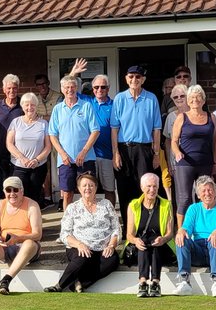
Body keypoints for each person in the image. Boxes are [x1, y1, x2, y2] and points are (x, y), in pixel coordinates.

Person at [46, 172, 120, 293]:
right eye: (84, 185)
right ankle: (59, 285)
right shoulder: (72, 207)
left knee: (112, 260)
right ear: (79, 188)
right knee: (81, 257)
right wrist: (79, 244)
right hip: (79, 247)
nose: (88, 188)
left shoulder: (106, 204)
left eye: (91, 185)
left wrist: (111, 245)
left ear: (96, 187)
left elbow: (116, 229)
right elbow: (65, 233)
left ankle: (80, 282)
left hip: (103, 248)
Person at [172, 175, 216, 298]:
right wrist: (182, 230)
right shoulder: (194, 208)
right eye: (203, 191)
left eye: (210, 190)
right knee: (181, 238)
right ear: (198, 195)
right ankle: (184, 281)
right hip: (198, 248)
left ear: (215, 191)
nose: (207, 193)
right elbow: (187, 227)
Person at [111, 65, 163, 207]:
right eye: (131, 76)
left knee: (145, 186)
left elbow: (156, 129)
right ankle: (127, 220)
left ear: (143, 79)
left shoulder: (151, 98)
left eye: (138, 76)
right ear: (126, 79)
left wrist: (156, 154)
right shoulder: (119, 98)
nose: (134, 79)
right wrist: (115, 153)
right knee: (124, 187)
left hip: (144, 149)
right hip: (124, 149)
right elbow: (114, 129)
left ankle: (143, 220)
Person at [48, 76, 99, 208]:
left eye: (72, 87)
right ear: (62, 89)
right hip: (65, 160)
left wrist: (84, 152)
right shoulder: (57, 109)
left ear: (77, 88)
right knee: (67, 194)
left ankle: (89, 218)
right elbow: (52, 134)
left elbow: (95, 131)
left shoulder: (86, 106)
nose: (70, 90)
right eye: (67, 87)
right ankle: (67, 220)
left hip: (86, 158)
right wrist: (62, 154)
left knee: (88, 193)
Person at [170, 84, 216, 226]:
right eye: (191, 98)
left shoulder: (211, 117)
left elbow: (215, 141)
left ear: (203, 100)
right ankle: (181, 230)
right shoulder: (182, 117)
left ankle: (202, 228)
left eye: (198, 97)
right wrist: (177, 152)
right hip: (186, 163)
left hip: (205, 163)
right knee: (184, 198)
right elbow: (174, 140)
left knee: (205, 196)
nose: (195, 100)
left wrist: (215, 162)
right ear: (188, 101)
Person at [125, 172, 175, 297]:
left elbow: (170, 233)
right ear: (142, 187)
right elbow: (129, 235)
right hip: (140, 246)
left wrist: (163, 239)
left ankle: (155, 283)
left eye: (155, 186)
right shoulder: (133, 205)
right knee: (143, 244)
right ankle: (143, 282)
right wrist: (135, 241)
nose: (152, 190)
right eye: (148, 186)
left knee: (155, 244)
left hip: (161, 246)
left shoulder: (166, 205)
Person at [7, 92, 51, 204]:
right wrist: (22, 158)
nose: (29, 107)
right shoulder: (16, 122)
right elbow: (9, 144)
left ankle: (34, 214)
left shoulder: (43, 124)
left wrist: (37, 160)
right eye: (27, 105)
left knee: (34, 197)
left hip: (38, 167)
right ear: (22, 106)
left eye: (32, 105)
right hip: (19, 166)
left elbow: (48, 146)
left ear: (36, 106)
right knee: (19, 195)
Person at [0, 74, 23, 199]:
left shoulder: (23, 106)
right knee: (5, 185)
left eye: (14, 88)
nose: (11, 91)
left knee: (19, 184)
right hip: (2, 153)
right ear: (4, 89)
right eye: (9, 88)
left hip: (20, 153)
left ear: (18, 88)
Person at [89, 74, 117, 204]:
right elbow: (68, 90)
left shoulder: (114, 105)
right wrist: (74, 72)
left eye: (103, 87)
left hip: (107, 155)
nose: (99, 90)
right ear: (92, 89)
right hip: (89, 155)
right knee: (89, 189)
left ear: (108, 88)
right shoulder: (87, 103)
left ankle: (111, 214)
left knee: (109, 189)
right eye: (96, 87)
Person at [161, 83, 188, 198]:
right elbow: (168, 141)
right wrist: (169, 162)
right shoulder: (170, 116)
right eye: (176, 97)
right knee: (180, 194)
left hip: (193, 159)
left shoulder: (195, 114)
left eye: (182, 96)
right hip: (176, 161)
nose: (179, 99)